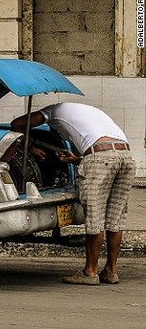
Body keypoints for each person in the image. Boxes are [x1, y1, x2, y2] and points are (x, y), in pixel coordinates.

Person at [10, 102, 135, 285]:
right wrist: (76, 160)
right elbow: (104, 150)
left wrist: (30, 148)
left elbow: (18, 124)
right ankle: (111, 271)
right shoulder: (90, 112)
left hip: (100, 157)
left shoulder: (51, 112)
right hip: (126, 157)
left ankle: (90, 272)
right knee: (116, 218)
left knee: (95, 217)